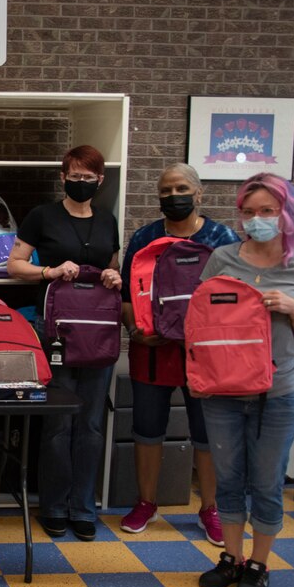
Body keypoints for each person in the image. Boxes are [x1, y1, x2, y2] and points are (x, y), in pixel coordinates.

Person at [195, 172, 294, 587]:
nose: (256, 219)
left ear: (287, 214)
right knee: (228, 477)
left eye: (267, 211)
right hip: (223, 392)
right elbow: (201, 325)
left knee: (267, 481)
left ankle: (259, 563)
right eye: (249, 212)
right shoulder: (222, 259)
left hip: (279, 392)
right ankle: (231, 558)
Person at [118, 163, 240, 545]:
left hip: (205, 354)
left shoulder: (222, 238)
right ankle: (146, 503)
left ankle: (210, 509)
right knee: (147, 428)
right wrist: (135, 330)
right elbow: (125, 295)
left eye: (181, 189)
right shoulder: (145, 237)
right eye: (166, 191)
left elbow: (235, 297)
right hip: (152, 351)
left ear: (199, 193)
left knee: (207, 434)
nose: (174, 196)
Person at [7, 144, 122, 542]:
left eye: (88, 178)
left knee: (91, 424)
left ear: (100, 181)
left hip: (100, 329)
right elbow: (14, 265)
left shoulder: (108, 221)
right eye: (74, 176)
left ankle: (83, 507)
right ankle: (53, 506)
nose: (81, 183)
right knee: (57, 422)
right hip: (55, 327)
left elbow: (114, 268)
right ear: (62, 177)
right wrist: (50, 270)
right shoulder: (43, 216)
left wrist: (114, 278)